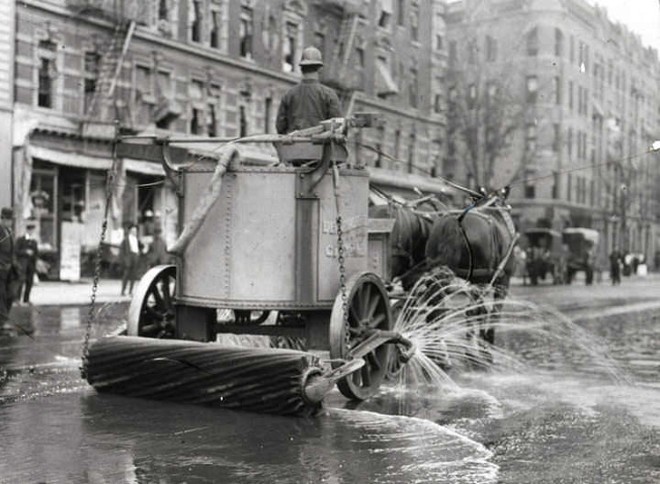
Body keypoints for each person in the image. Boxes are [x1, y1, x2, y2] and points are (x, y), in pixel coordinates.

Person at [275, 46, 342, 135]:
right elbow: (338, 126)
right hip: (321, 147)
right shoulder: (329, 95)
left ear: (301, 68)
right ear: (320, 69)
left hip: (294, 146)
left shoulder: (289, 95)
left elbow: (280, 126)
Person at [0, 207, 18, 330]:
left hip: (9, 269)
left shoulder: (9, 231)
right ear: (3, 219)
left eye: (11, 220)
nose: (10, 222)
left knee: (11, 294)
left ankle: (3, 319)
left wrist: (14, 264)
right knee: (0, 295)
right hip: (0, 268)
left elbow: (12, 251)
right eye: (8, 219)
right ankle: (2, 322)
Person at [15, 220, 39, 305]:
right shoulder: (21, 240)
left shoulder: (34, 241)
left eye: (32, 230)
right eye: (30, 230)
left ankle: (26, 299)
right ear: (27, 230)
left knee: (29, 282)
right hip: (22, 264)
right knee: (21, 281)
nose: (31, 232)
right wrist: (25, 251)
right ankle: (17, 299)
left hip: (31, 264)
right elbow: (16, 251)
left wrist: (35, 264)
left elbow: (36, 253)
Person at [120, 223, 142, 296]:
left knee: (133, 275)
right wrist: (125, 259)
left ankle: (130, 291)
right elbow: (122, 250)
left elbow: (141, 247)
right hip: (129, 258)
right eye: (133, 231)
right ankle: (123, 291)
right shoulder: (126, 239)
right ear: (130, 231)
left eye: (135, 231)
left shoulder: (137, 239)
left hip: (135, 257)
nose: (134, 232)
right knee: (126, 275)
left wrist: (140, 252)